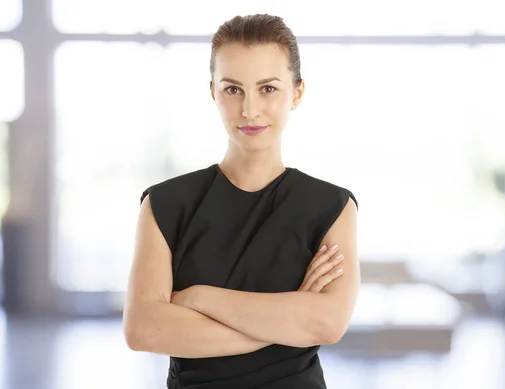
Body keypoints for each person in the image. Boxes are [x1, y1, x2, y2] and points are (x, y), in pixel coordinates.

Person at [123, 14, 360, 389]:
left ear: (296, 93)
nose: (249, 109)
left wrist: (199, 298)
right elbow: (144, 331)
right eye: (233, 89)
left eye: (268, 89)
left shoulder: (332, 206)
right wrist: (287, 322)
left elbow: (327, 324)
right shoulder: (164, 204)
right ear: (213, 92)